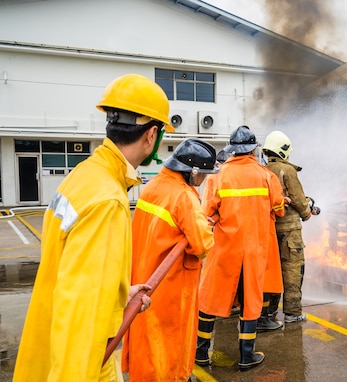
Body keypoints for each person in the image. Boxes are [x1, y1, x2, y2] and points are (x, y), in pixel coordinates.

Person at [12, 73, 172, 382]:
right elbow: (80, 319)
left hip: (49, 341)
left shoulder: (82, 176)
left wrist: (118, 296)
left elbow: (72, 272)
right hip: (82, 366)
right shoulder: (108, 201)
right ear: (152, 135)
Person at [122, 138, 218, 381]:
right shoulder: (183, 196)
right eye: (203, 175)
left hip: (145, 273)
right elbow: (202, 245)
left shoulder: (154, 185)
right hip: (171, 283)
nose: (204, 180)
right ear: (192, 172)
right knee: (170, 338)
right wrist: (205, 229)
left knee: (146, 334)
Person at [195, 125, 286, 371]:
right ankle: (247, 356)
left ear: (233, 150)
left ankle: (201, 354)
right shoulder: (266, 175)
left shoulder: (217, 175)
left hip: (224, 249)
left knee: (209, 298)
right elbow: (278, 208)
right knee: (250, 301)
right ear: (254, 149)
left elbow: (207, 213)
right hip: (254, 251)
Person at [262, 130, 320, 324]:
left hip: (269, 229)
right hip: (289, 231)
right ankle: (293, 313)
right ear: (284, 151)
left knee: (272, 271)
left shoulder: (262, 170)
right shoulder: (287, 170)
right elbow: (297, 198)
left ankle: (269, 312)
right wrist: (307, 211)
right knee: (293, 269)